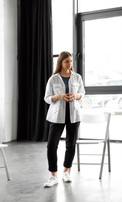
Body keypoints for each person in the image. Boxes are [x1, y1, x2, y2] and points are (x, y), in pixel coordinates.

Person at [43, 51, 85, 187]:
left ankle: (66, 171)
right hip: (56, 116)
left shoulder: (77, 77)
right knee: (51, 145)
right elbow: (47, 98)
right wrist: (58, 96)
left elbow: (82, 93)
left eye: (71, 61)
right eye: (67, 61)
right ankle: (53, 175)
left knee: (70, 145)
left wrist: (76, 96)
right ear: (61, 62)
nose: (70, 64)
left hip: (74, 115)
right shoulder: (53, 79)